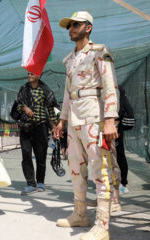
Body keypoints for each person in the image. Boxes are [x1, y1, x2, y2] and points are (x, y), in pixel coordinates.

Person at [54, 11, 121, 240]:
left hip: (94, 116)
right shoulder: (70, 59)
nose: (71, 28)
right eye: (69, 25)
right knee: (75, 167)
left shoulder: (99, 52)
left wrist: (110, 118)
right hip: (74, 119)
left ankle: (102, 226)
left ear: (88, 27)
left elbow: (110, 85)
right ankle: (80, 214)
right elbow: (67, 93)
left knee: (100, 170)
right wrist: (62, 120)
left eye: (75, 24)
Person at [16, 72, 58, 195]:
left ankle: (40, 182)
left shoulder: (45, 90)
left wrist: (54, 126)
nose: (29, 75)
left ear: (38, 76)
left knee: (41, 155)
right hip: (25, 127)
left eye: (32, 74)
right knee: (26, 154)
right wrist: (25, 108)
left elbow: (51, 108)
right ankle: (30, 183)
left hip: (41, 127)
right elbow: (18, 105)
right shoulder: (23, 89)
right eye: (28, 74)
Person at [115, 86, 134, 194]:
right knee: (119, 155)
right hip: (117, 127)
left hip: (115, 127)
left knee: (116, 155)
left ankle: (121, 183)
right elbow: (129, 110)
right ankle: (122, 183)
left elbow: (120, 110)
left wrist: (116, 126)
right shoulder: (121, 91)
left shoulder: (117, 91)